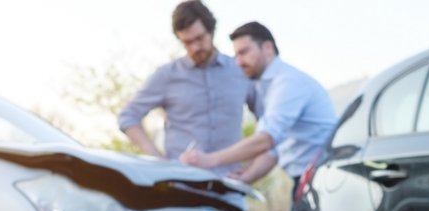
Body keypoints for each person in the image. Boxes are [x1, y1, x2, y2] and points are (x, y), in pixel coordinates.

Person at [180, 21, 337, 195]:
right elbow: (275, 149)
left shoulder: (288, 83)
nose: (238, 62)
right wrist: (247, 176)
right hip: (308, 179)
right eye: (236, 56)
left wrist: (210, 159)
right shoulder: (269, 87)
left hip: (324, 180)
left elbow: (266, 140)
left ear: (268, 48)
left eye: (243, 52)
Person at [118, 1, 252, 176]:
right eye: (187, 42)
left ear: (211, 31)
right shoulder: (167, 75)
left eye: (199, 38)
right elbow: (128, 116)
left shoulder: (240, 71)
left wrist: (251, 171)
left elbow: (270, 125)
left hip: (229, 186)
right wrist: (159, 160)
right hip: (181, 184)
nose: (195, 47)